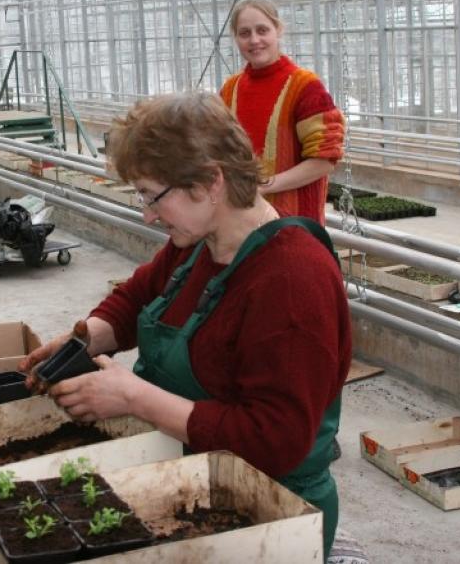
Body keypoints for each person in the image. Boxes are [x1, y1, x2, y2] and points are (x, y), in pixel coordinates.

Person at [20, 92, 352, 558]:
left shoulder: (292, 280)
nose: (147, 214)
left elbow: (276, 440)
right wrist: (86, 337)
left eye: (152, 195)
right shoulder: (198, 242)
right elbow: (138, 296)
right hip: (197, 487)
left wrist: (134, 398)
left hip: (271, 516)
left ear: (211, 182)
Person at [220, 0, 346, 225]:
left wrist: (264, 185)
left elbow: (324, 161)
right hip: (241, 221)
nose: (254, 40)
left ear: (278, 30)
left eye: (262, 30)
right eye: (244, 33)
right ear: (235, 38)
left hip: (293, 222)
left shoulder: (305, 88)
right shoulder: (230, 90)